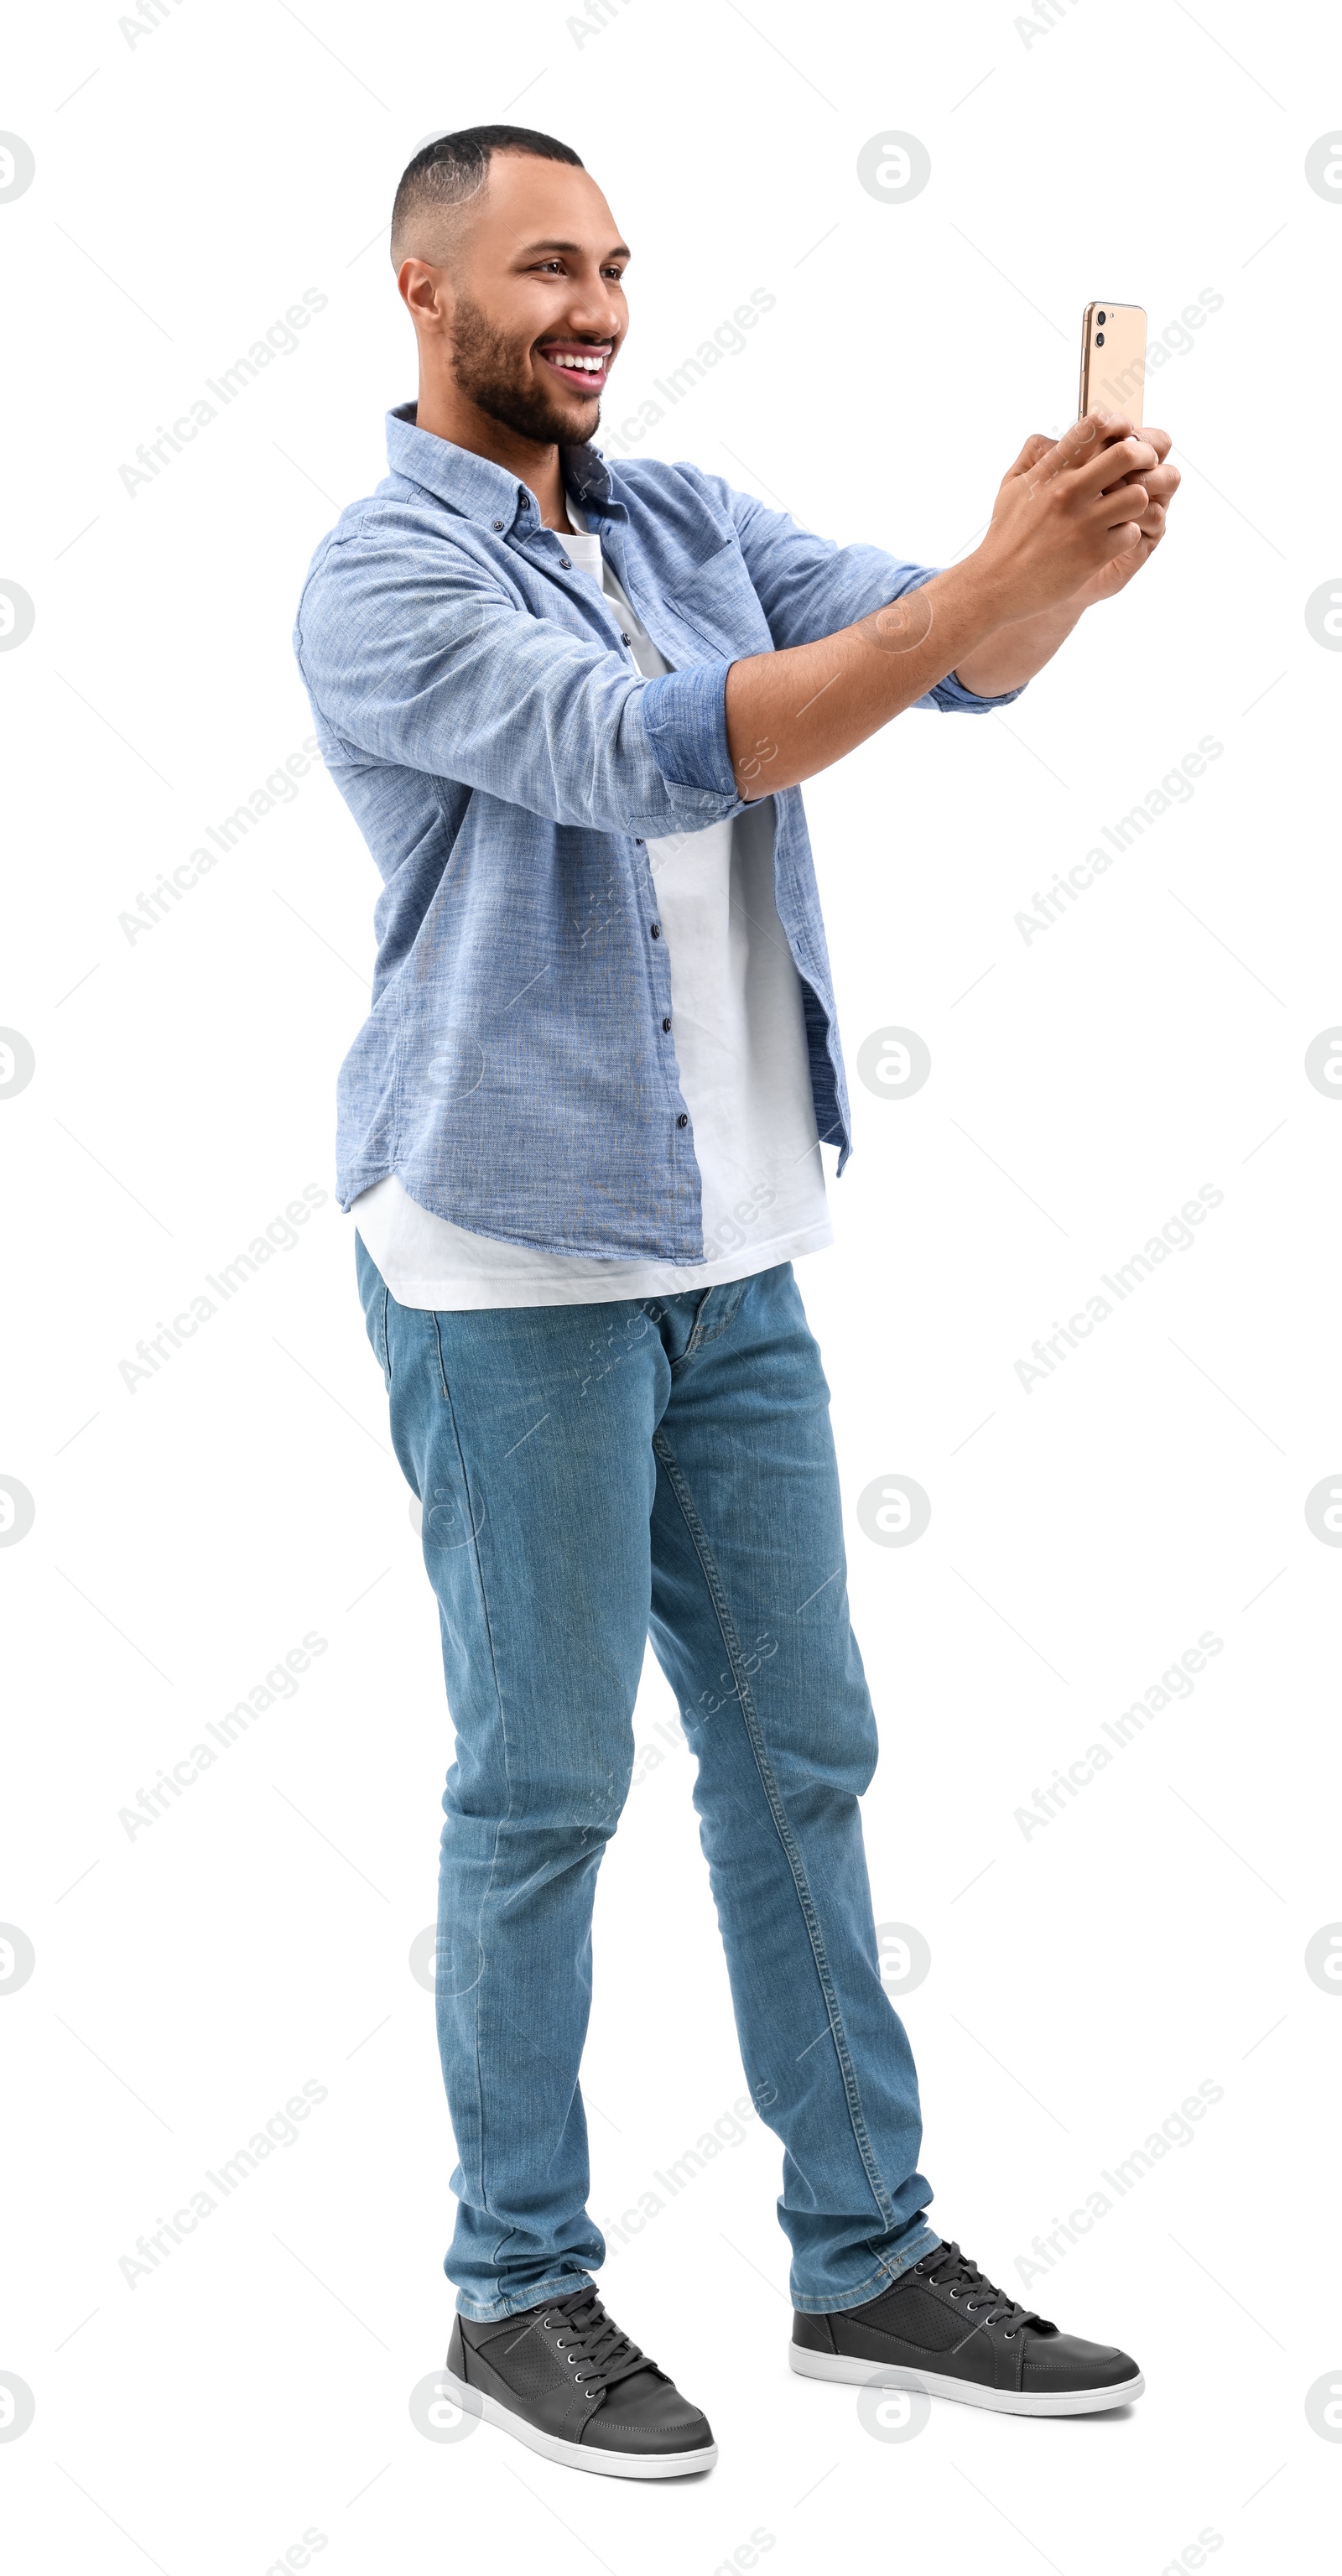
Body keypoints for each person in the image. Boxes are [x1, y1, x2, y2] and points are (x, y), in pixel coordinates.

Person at [292, 123, 1178, 2479]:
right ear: (425, 294)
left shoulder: (679, 518)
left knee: (804, 1765)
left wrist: (1049, 570)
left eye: (611, 269)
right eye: (542, 271)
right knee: (547, 1785)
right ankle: (517, 2287)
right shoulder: (381, 574)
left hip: (739, 1254)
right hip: (509, 1266)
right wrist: (967, 593)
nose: (590, 306)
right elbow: (662, 751)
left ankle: (863, 2254)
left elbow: (948, 665)